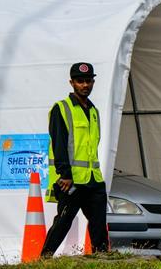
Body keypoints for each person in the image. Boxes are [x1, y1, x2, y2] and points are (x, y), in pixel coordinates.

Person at [41, 62, 110, 257]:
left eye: (88, 81)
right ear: (71, 83)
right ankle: (45, 256)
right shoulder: (61, 109)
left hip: (93, 178)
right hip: (70, 179)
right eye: (80, 81)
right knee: (64, 220)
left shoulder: (94, 111)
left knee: (98, 222)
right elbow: (59, 144)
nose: (85, 85)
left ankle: (101, 255)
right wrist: (65, 174)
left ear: (93, 82)